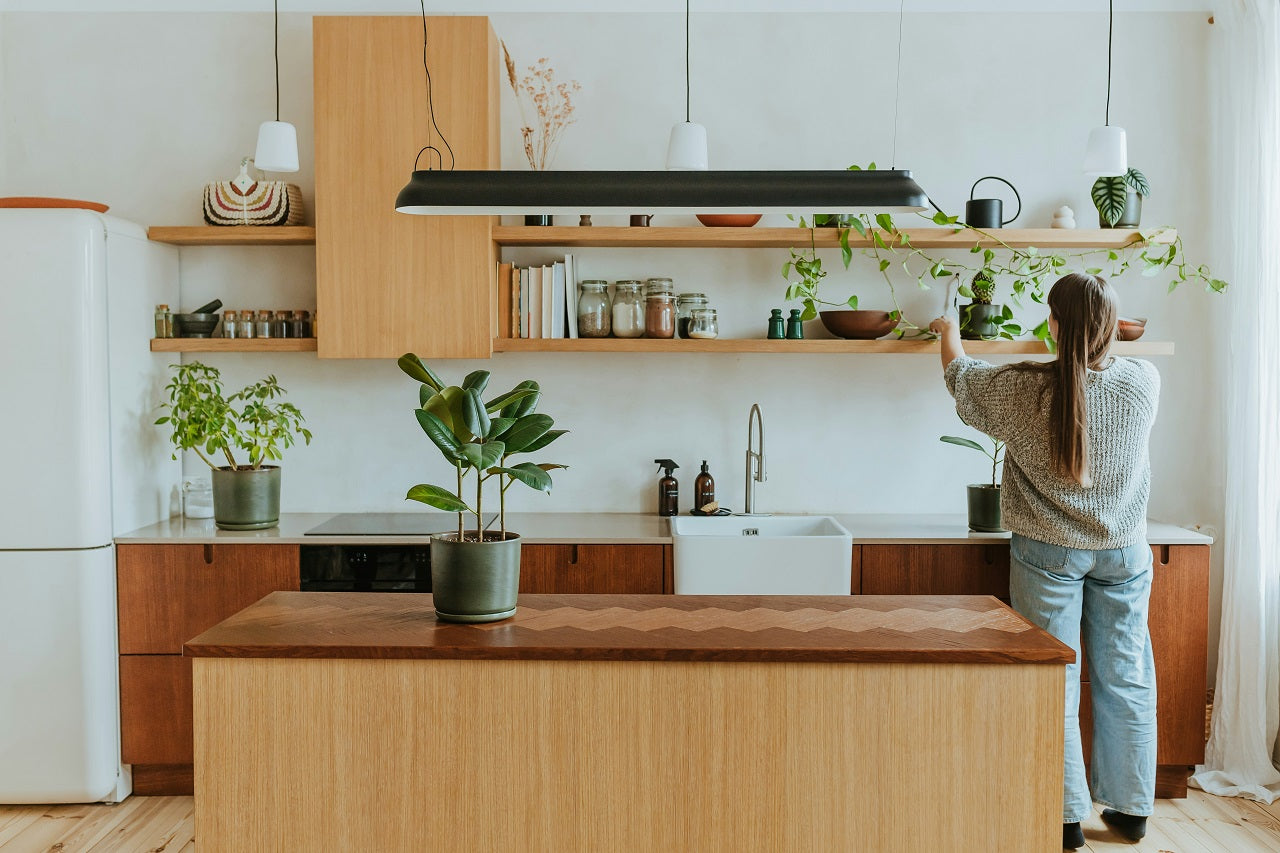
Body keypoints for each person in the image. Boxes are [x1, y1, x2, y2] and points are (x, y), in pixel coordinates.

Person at [929, 273, 1159, 850]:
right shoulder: (1143, 383)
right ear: (1111, 326)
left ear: (1052, 324)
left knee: (1051, 680)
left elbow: (960, 378)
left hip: (1048, 552)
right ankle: (1131, 811)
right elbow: (1091, 374)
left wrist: (949, 330)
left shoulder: (1021, 392)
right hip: (1123, 552)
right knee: (1126, 675)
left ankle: (1061, 818)